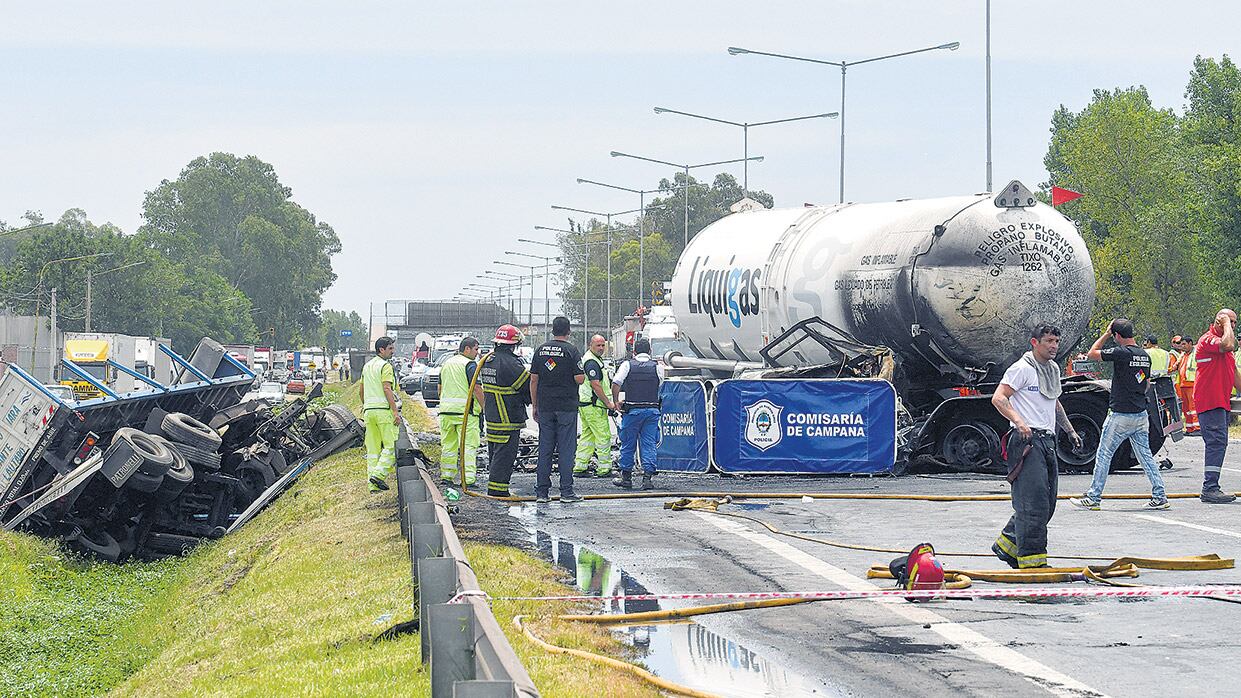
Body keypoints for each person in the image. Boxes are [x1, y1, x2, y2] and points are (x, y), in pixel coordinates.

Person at [989, 324, 1082, 569]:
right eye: (1049, 341)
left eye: (1056, 341)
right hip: (1027, 442)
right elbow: (998, 398)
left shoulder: (1051, 370)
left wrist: (1070, 431)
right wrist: (1019, 421)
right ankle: (1032, 563)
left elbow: (1055, 403)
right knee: (1032, 504)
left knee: (1047, 503)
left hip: (1047, 441)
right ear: (1034, 342)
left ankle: (1007, 545)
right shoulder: (1021, 369)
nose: (1053, 346)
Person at [1070, 319, 1169, 511]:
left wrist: (1105, 334)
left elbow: (1092, 354)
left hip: (1120, 415)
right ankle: (1160, 496)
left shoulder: (1120, 353)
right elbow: (1146, 383)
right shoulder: (1144, 355)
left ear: (1117, 335)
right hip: (1140, 415)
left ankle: (1093, 497)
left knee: (1104, 454)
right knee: (1145, 456)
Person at [530, 316, 586, 503]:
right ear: (568, 331)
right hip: (566, 407)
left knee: (545, 448)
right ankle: (566, 492)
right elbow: (580, 379)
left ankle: (542, 493)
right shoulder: (572, 351)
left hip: (545, 406)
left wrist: (535, 405)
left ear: (552, 330)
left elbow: (534, 380)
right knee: (566, 449)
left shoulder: (540, 351)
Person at [1193, 309, 1238, 503]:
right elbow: (1228, 343)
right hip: (1210, 401)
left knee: (1219, 443)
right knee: (1216, 443)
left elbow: (1234, 372)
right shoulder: (1208, 340)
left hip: (1220, 401)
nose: (1233, 326)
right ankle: (1210, 488)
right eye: (1231, 322)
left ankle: (1211, 486)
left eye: (1235, 322)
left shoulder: (1225, 349)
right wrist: (1226, 323)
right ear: (1219, 321)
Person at [481, 325, 531, 497]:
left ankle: (495, 488)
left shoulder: (489, 359)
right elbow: (526, 387)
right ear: (513, 345)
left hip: (493, 415)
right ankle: (498, 492)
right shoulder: (510, 363)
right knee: (505, 456)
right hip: (507, 417)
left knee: (495, 453)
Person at [611, 337, 666, 490]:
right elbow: (660, 385)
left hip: (632, 411)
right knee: (649, 444)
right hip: (652, 411)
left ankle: (626, 478)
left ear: (634, 351)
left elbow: (616, 383)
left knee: (628, 444)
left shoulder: (627, 365)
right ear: (650, 351)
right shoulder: (657, 367)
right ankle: (647, 479)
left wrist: (616, 402)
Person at [437, 337, 484, 486]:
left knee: (448, 446)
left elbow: (439, 388)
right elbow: (476, 388)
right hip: (465, 414)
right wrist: (484, 407)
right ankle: (468, 479)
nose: (477, 353)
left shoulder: (446, 364)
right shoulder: (470, 365)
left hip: (446, 412)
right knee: (469, 446)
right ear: (467, 349)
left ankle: (447, 476)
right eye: (476, 349)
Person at [359, 337, 401, 492]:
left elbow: (361, 391)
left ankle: (372, 486)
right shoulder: (385, 366)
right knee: (391, 445)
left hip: (369, 412)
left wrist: (367, 406)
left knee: (373, 449)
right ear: (381, 350)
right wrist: (395, 411)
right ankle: (378, 475)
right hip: (383, 411)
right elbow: (387, 388)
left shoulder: (367, 366)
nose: (392, 351)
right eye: (390, 348)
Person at [575, 334, 617, 477]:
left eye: (602, 345)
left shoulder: (591, 360)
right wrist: (609, 403)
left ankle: (580, 467)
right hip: (594, 406)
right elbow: (596, 385)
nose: (601, 348)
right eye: (598, 345)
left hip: (586, 404)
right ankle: (604, 469)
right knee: (603, 437)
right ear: (590, 345)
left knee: (588, 436)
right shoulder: (592, 362)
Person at [1173, 335, 1200, 433]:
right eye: (1181, 344)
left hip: (1193, 384)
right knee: (1186, 409)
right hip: (1183, 385)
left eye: (1184, 344)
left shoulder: (1196, 353)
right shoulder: (1183, 355)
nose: (1182, 346)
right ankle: (1189, 428)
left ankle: (1197, 428)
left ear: (1190, 344)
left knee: (1193, 408)